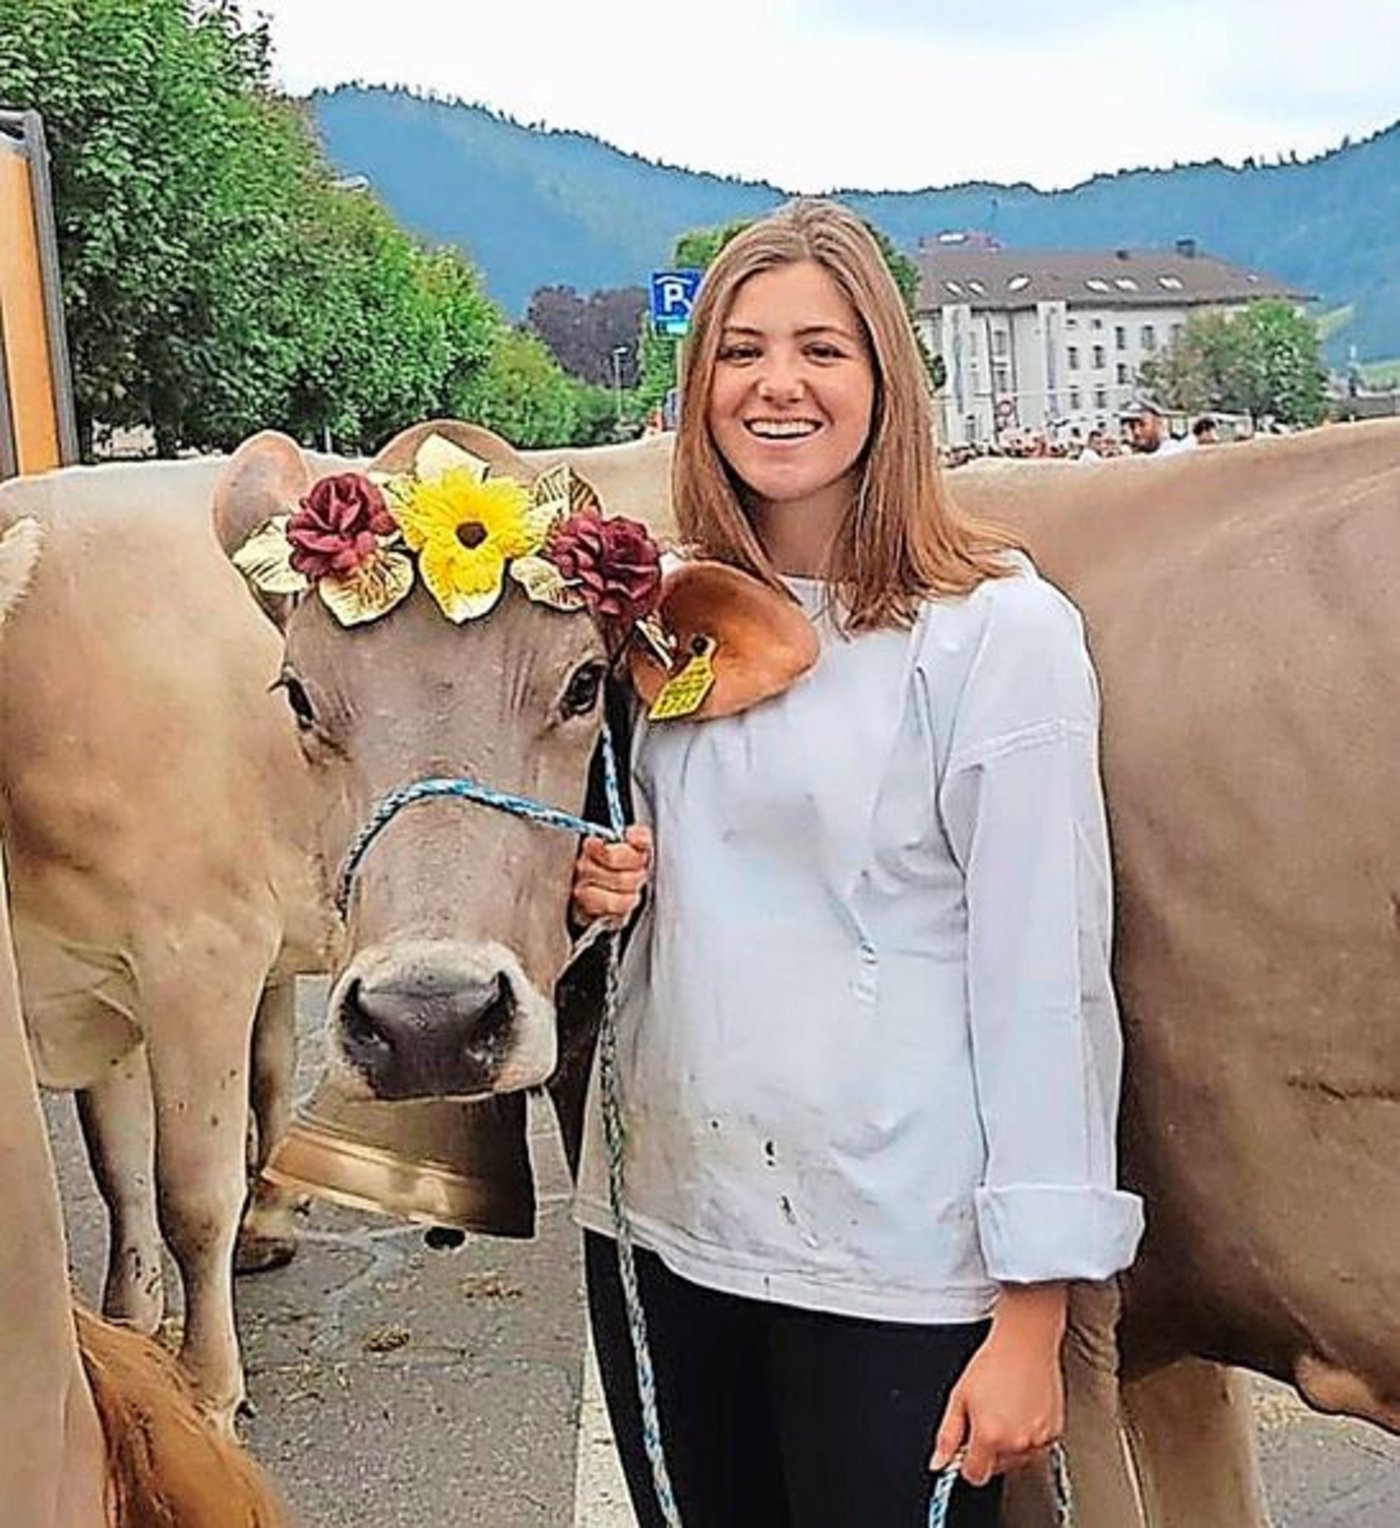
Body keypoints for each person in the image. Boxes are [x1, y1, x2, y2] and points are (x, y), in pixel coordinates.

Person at [569, 199, 1144, 1528]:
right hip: (659, 1230)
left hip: (893, 1261)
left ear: (887, 381)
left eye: (821, 350)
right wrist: (589, 887)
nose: (777, 383)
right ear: (698, 383)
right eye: (741, 350)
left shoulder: (997, 633)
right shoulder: (651, 620)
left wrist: (1033, 1314)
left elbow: (1045, 982)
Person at [1120, 396, 1189, 456]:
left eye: (1142, 424)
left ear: (1159, 424)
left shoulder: (1175, 452)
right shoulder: (1130, 453)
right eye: (1132, 426)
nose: (1136, 432)